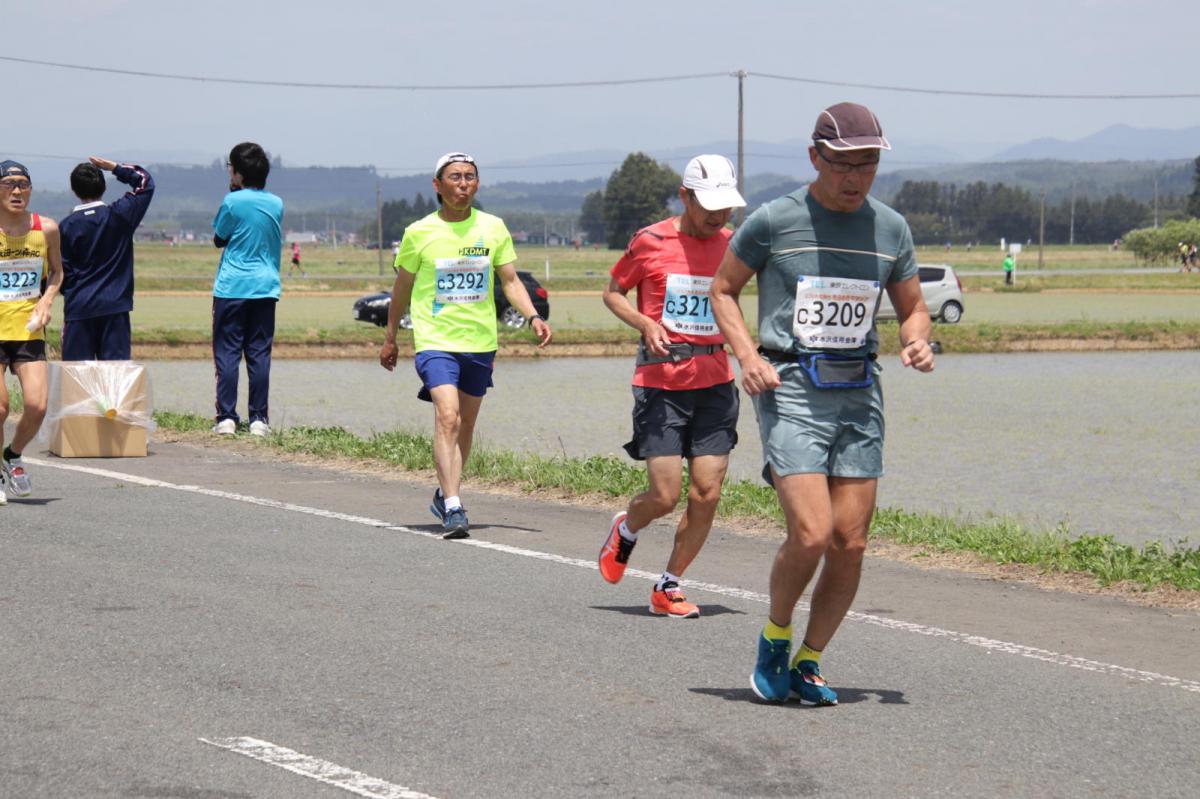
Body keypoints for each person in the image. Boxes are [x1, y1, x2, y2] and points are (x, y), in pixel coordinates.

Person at [709, 102, 936, 704]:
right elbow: (723, 290)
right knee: (810, 533)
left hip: (860, 389)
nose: (854, 177)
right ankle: (776, 637)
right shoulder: (773, 220)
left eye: (867, 165)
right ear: (815, 157)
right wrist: (746, 356)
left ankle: (810, 660)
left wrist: (917, 340)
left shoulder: (890, 228)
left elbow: (912, 306)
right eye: (842, 164)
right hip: (791, 385)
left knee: (851, 541)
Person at [596, 155, 746, 618]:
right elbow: (612, 292)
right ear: (685, 196)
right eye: (710, 206)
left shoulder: (733, 244)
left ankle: (670, 584)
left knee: (707, 492)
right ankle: (626, 530)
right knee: (664, 495)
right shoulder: (651, 240)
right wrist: (644, 322)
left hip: (716, 381)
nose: (719, 216)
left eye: (726, 207)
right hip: (662, 382)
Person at [379, 152, 551, 538]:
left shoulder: (493, 228)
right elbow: (402, 288)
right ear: (437, 186)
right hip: (435, 340)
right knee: (448, 416)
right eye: (454, 177)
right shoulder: (419, 232)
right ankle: (455, 507)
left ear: (477, 184)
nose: (463, 183)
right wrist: (390, 337)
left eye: (469, 177)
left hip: (479, 341)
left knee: (467, 423)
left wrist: (533, 316)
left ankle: (445, 492)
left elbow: (509, 280)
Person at [0, 160, 64, 505]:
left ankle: (12, 454)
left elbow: (56, 273)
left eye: (23, 184)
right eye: (9, 184)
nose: (16, 191)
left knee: (37, 405)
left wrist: (47, 301)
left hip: (28, 328)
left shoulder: (47, 228)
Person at [211, 142, 284, 438]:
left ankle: (227, 417)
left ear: (238, 173)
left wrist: (232, 193)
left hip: (231, 287)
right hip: (265, 287)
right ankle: (259, 419)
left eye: (231, 168)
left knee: (228, 353)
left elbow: (219, 237)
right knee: (259, 354)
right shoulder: (277, 203)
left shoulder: (232, 202)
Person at [58, 157, 154, 360]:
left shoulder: (66, 226)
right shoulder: (121, 215)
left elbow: (61, 273)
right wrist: (115, 168)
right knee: (115, 378)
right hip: (115, 307)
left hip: (79, 308)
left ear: (74, 190)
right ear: (103, 187)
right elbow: (145, 182)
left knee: (77, 379)